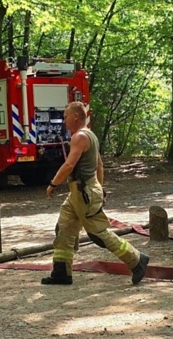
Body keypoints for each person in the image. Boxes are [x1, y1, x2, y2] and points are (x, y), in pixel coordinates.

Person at [43, 102, 150, 286]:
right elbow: (99, 165)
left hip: (83, 192)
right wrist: (100, 188)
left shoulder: (80, 137)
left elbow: (69, 165)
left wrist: (53, 183)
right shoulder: (91, 135)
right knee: (65, 227)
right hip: (80, 192)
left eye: (66, 116)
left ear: (76, 116)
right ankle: (61, 271)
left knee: (98, 233)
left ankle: (137, 259)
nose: (64, 120)